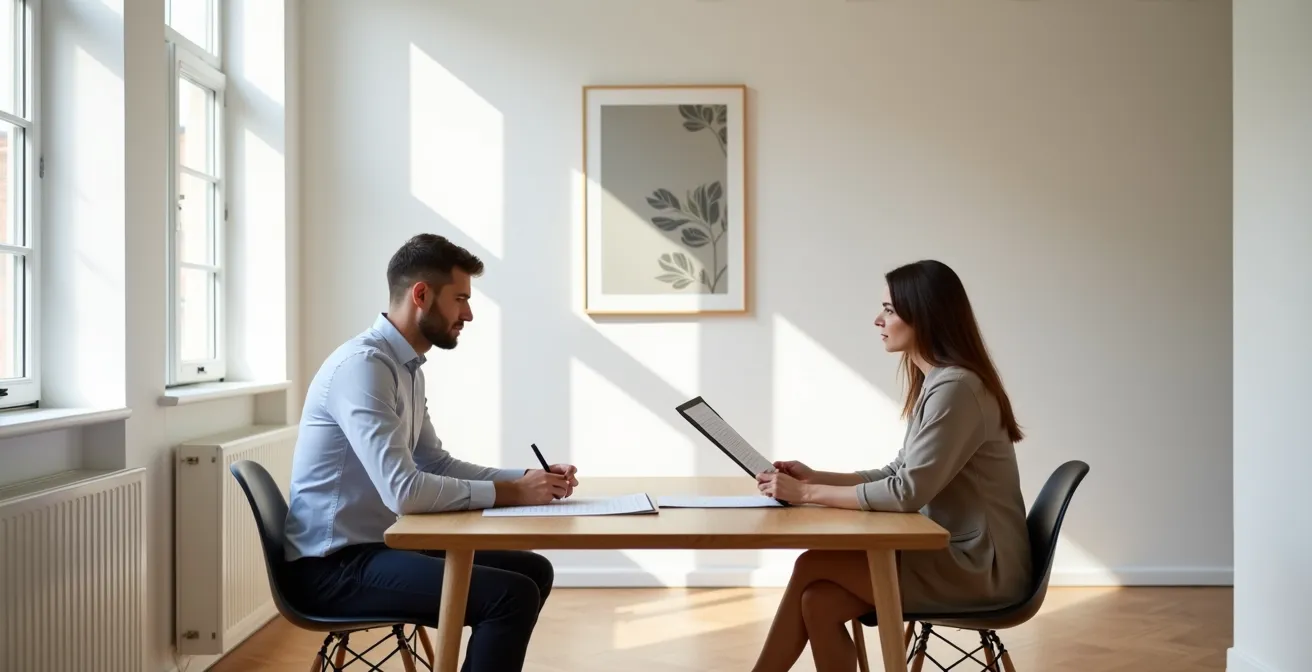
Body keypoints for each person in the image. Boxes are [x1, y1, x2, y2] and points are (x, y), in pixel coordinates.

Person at [282, 233, 579, 672]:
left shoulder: (403, 366)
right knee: (508, 596)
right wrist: (514, 492)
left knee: (533, 572)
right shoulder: (364, 368)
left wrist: (529, 479)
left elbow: (434, 463)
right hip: (333, 568)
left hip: (379, 547)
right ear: (422, 295)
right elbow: (404, 492)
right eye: (460, 298)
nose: (469, 314)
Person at [752, 259, 1032, 672]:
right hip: (957, 555)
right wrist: (816, 477)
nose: (878, 319)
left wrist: (806, 494)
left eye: (890, 310)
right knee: (819, 602)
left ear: (925, 316)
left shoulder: (956, 388)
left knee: (811, 564)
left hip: (981, 568)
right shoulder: (941, 383)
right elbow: (899, 472)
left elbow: (906, 493)